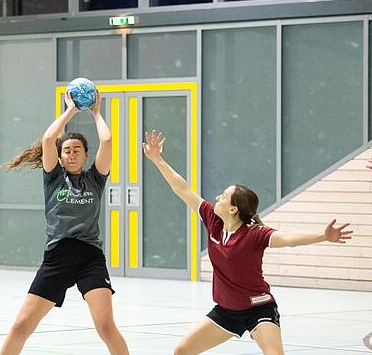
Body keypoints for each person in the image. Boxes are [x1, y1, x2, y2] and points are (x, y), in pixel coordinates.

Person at [141, 130, 353, 355]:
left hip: (259, 308)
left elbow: (289, 239)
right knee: (182, 351)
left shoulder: (255, 234)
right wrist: (157, 159)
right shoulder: (212, 218)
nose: (216, 199)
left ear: (233, 209)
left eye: (223, 197)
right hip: (226, 312)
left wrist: (323, 235)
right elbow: (182, 188)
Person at [0, 91, 130, 355]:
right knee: (21, 325)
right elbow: (49, 138)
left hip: (90, 258)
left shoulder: (95, 179)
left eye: (77, 150)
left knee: (105, 326)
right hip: (57, 258)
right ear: (60, 156)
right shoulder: (53, 178)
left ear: (85, 155)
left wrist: (95, 112)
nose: (71, 155)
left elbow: (108, 139)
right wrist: (70, 110)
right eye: (67, 151)